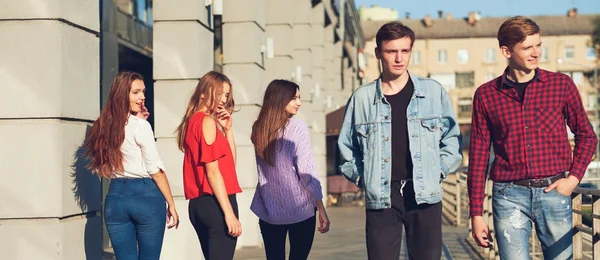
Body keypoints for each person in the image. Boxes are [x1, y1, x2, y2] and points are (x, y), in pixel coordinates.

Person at [468, 16, 598, 259]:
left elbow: (587, 136)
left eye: (538, 45)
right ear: (506, 51)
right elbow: (478, 157)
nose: (536, 52)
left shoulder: (561, 85)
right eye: (527, 47)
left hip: (554, 193)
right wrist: (476, 214)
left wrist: (573, 179)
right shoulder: (486, 95)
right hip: (508, 196)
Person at [337, 21, 462, 260]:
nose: (398, 58)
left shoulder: (433, 92)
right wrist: (364, 177)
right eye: (391, 51)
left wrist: (438, 171)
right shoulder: (362, 99)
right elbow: (346, 148)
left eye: (405, 51)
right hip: (382, 197)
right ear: (378, 53)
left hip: (424, 194)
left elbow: (451, 140)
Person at [84, 71, 179, 260]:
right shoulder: (140, 127)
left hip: (116, 198)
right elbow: (155, 170)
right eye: (136, 92)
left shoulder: (102, 127)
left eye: (142, 92)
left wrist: (139, 120)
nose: (142, 97)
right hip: (146, 197)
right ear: (122, 94)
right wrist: (172, 204)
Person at [250, 79, 331, 260]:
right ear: (280, 99)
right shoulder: (297, 128)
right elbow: (306, 171)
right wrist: (321, 208)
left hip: (269, 210)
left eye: (299, 97)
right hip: (300, 209)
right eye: (294, 98)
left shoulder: (258, 130)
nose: (299, 103)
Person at [176, 71, 242, 260]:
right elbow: (213, 173)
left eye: (227, 95)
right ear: (203, 92)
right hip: (216, 204)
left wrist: (228, 130)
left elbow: (229, 165)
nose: (223, 99)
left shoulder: (193, 121)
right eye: (220, 93)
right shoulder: (206, 121)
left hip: (199, 206)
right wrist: (229, 214)